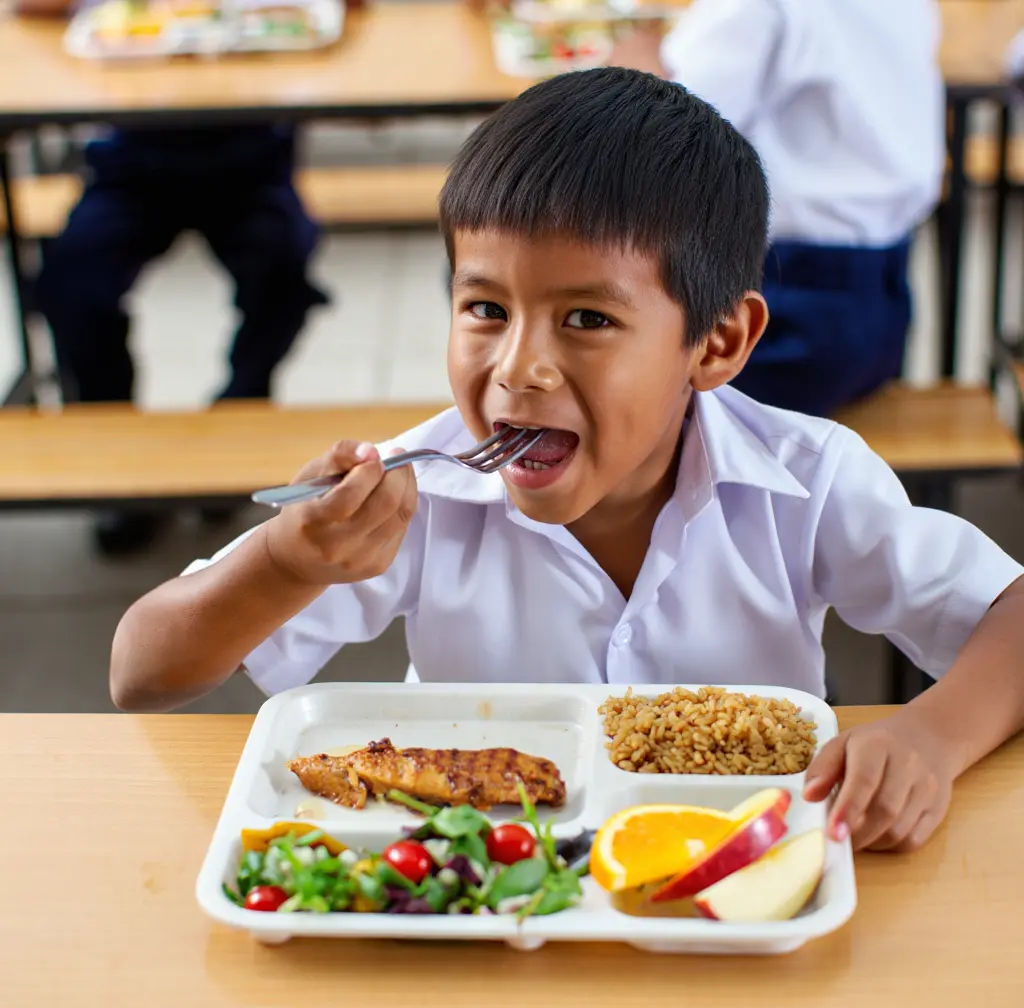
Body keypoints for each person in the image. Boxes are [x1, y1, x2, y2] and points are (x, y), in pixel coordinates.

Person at [112, 70, 1024, 855]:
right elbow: (142, 671)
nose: (519, 368)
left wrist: (933, 736)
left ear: (717, 342)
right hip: (481, 894)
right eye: (486, 310)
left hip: (736, 879)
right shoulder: (412, 493)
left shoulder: (807, 482)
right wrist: (286, 563)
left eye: (587, 319)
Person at [19, 1, 328, 556]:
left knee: (283, 268)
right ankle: (116, 453)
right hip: (132, 152)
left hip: (247, 151)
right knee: (73, 284)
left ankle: (236, 415)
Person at [609, 0, 944, 418]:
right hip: (883, 305)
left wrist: (636, 66)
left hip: (787, 311)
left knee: (607, 379)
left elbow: (660, 139)